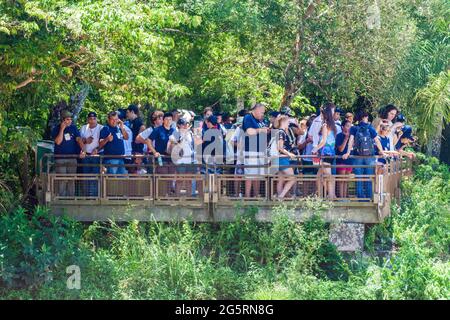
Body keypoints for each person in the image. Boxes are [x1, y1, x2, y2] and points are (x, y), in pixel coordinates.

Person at [343, 110, 380, 200]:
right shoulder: (370, 128)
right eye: (367, 117)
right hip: (369, 157)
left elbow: (351, 141)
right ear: (364, 117)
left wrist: (348, 152)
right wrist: (382, 151)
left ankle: (360, 198)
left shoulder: (354, 128)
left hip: (357, 156)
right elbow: (377, 141)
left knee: (358, 177)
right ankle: (369, 197)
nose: (367, 119)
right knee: (369, 177)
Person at [52, 110, 84, 196]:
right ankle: (61, 198)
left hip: (72, 158)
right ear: (62, 120)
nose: (69, 121)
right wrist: (62, 129)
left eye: (70, 119)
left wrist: (83, 150)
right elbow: (58, 142)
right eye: (67, 119)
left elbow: (79, 139)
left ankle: (71, 198)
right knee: (62, 179)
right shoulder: (56, 129)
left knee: (71, 179)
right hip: (60, 159)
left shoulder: (73, 128)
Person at [242, 103, 269, 198]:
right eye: (262, 112)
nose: (263, 114)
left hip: (261, 151)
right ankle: (248, 196)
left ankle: (256, 195)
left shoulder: (261, 120)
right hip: (251, 150)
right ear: (256, 109)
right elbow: (249, 131)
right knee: (250, 174)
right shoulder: (248, 117)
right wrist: (261, 130)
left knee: (258, 175)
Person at [312, 104, 337, 199]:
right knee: (319, 177)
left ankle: (331, 195)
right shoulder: (332, 125)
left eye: (322, 113)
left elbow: (323, 141)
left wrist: (315, 148)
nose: (321, 115)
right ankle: (322, 195)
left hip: (326, 153)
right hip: (330, 152)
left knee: (328, 175)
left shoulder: (325, 125)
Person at [168, 118, 198, 196]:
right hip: (180, 160)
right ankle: (177, 197)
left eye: (186, 124)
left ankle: (189, 197)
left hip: (190, 159)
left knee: (189, 180)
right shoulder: (176, 133)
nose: (185, 126)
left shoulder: (190, 133)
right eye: (183, 124)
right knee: (179, 180)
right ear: (179, 125)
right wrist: (182, 135)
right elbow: (172, 141)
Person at [271, 115, 297, 199]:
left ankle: (279, 197)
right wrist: (290, 154)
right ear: (283, 122)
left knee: (281, 179)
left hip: (280, 158)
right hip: (282, 158)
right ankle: (281, 196)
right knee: (292, 178)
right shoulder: (281, 132)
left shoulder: (280, 132)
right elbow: (280, 148)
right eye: (288, 122)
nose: (289, 124)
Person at [79, 111, 103, 196]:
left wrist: (97, 149)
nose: (92, 121)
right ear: (87, 120)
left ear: (97, 119)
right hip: (86, 155)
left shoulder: (101, 128)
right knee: (86, 176)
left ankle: (95, 196)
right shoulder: (83, 128)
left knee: (96, 176)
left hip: (96, 155)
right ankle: (86, 196)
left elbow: (104, 142)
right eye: (90, 119)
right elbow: (79, 141)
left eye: (94, 119)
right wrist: (86, 141)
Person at [335, 119, 353, 198]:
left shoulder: (352, 137)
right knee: (341, 180)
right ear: (342, 127)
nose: (349, 128)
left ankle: (345, 196)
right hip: (341, 160)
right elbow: (340, 149)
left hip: (349, 161)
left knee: (346, 180)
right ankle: (341, 197)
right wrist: (346, 138)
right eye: (347, 126)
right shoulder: (339, 136)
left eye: (350, 126)